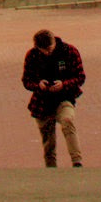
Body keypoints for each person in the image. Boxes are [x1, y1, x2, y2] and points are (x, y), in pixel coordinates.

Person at [22, 28, 85, 167]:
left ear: (54, 42)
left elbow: (80, 77)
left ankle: (77, 161)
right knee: (48, 140)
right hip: (41, 102)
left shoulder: (70, 51)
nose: (47, 52)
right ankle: (51, 167)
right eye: (43, 50)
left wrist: (64, 84)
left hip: (64, 97)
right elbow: (26, 80)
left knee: (68, 120)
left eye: (49, 48)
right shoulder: (32, 55)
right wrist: (38, 85)